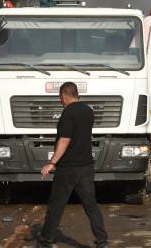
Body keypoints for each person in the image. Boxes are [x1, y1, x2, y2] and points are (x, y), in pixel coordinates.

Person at [36, 82, 108, 248]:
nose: (61, 101)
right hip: (86, 166)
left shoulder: (68, 113)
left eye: (60, 98)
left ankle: (46, 239)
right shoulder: (88, 111)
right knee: (91, 205)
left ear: (63, 96)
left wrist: (51, 163)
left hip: (68, 167)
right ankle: (102, 240)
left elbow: (65, 139)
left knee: (57, 204)